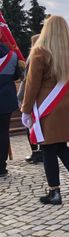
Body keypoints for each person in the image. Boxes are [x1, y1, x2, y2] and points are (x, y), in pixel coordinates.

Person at [20, 16, 69, 204]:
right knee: (61, 146)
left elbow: (32, 84)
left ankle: (54, 192)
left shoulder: (40, 51)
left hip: (47, 106)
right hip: (67, 104)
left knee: (48, 147)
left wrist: (26, 109)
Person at [17, 34, 43, 164]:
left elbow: (27, 80)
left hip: (31, 96)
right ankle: (42, 151)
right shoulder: (48, 56)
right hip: (44, 97)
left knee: (30, 124)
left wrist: (20, 96)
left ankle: (35, 152)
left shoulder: (32, 57)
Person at [0, 36, 21, 177]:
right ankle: (1, 166)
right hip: (6, 98)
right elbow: (16, 76)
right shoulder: (12, 55)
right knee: (3, 132)